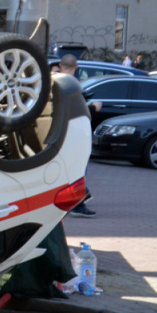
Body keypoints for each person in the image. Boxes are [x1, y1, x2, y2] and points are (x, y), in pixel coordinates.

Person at [59, 54, 101, 218]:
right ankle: (78, 204)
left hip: (59, 135)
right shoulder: (72, 86)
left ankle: (82, 196)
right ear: (76, 68)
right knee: (78, 171)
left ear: (61, 66)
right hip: (74, 135)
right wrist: (94, 109)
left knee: (68, 170)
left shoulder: (53, 82)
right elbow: (76, 112)